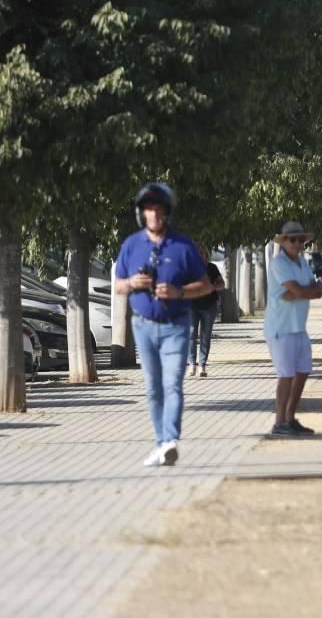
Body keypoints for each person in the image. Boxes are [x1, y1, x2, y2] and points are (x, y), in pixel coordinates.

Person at [114, 183, 212, 467]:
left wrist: (179, 292)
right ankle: (160, 444)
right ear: (141, 213)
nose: (154, 214)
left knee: (172, 383)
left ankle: (170, 440)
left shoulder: (183, 246)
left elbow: (205, 285)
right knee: (152, 387)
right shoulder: (132, 245)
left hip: (175, 325)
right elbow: (119, 284)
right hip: (143, 327)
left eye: (159, 209)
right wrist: (133, 283)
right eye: (149, 209)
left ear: (167, 213)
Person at [265, 221, 322, 436]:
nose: (297, 243)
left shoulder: (302, 261)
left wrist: (305, 291)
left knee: (303, 372)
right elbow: (302, 291)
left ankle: (290, 418)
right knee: (286, 375)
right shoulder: (278, 263)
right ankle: (279, 421)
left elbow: (311, 290)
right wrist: (308, 290)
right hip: (281, 327)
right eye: (292, 239)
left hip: (299, 326)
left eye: (301, 240)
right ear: (283, 242)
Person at [188, 245, 225, 377]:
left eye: (203, 253)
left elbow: (222, 284)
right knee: (191, 334)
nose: (201, 255)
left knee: (205, 335)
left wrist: (213, 286)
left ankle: (202, 366)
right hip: (191, 305)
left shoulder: (212, 268)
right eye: (198, 253)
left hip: (209, 306)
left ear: (206, 255)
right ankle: (192, 364)